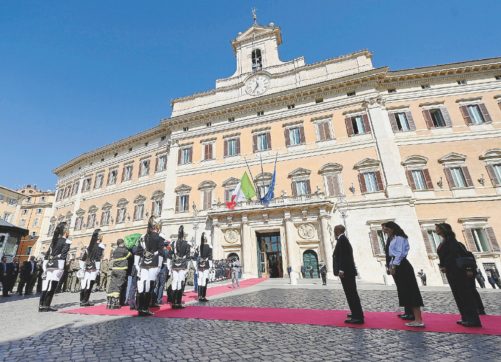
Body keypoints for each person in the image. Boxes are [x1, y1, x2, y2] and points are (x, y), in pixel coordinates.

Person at [435, 223, 482, 327]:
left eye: (437, 228)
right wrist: (442, 266)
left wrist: (468, 269)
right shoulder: (444, 241)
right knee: (458, 295)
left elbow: (458, 255)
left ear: (443, 230)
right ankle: (465, 317)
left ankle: (473, 320)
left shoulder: (452, 241)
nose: (436, 230)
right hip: (451, 271)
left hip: (457, 271)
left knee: (464, 295)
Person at [382, 221, 424, 327]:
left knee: (411, 291)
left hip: (402, 266)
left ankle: (418, 320)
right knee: (405, 291)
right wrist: (391, 266)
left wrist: (394, 265)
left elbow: (400, 253)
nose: (385, 231)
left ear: (392, 229)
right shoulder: (393, 238)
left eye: (386, 229)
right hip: (398, 265)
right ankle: (414, 317)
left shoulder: (399, 238)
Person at [333, 225, 364, 324]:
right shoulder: (342, 239)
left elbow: (344, 256)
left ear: (338, 231)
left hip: (346, 272)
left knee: (351, 294)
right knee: (351, 293)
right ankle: (356, 312)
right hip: (348, 271)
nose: (333, 232)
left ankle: (357, 317)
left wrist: (341, 269)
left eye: (334, 230)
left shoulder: (342, 240)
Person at [135, 217, 165, 316]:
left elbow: (138, 252)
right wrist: (159, 266)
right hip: (154, 263)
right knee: (149, 285)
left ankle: (140, 307)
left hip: (143, 263)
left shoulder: (143, 237)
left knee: (142, 284)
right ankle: (145, 308)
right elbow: (161, 253)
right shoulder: (159, 237)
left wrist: (136, 265)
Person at [39, 222, 72, 312]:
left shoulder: (54, 241)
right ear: (66, 233)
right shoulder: (67, 241)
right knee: (53, 286)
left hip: (49, 265)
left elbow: (47, 255)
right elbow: (63, 255)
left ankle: (41, 305)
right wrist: (61, 268)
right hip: (57, 265)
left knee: (46, 286)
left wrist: (44, 268)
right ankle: (47, 305)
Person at [79, 229, 105, 307]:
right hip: (93, 266)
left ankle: (81, 300)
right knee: (90, 284)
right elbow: (98, 258)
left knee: (84, 284)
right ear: (100, 238)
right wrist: (98, 269)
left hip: (86, 266)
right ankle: (85, 300)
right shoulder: (101, 246)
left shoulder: (88, 247)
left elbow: (83, 258)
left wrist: (82, 267)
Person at [168, 225, 190, 309]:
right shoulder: (186, 244)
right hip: (182, 265)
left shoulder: (173, 243)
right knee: (180, 282)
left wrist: (170, 267)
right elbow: (188, 257)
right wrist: (187, 268)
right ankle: (178, 302)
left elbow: (170, 256)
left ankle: (173, 302)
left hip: (174, 265)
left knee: (174, 282)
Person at [106, 239, 131, 309]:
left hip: (114, 270)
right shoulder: (124, 250)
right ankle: (115, 303)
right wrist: (126, 247)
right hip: (121, 270)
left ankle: (109, 302)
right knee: (118, 285)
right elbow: (130, 255)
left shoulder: (115, 251)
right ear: (122, 243)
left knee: (112, 285)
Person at [197, 232, 213, 302]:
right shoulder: (209, 246)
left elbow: (196, 256)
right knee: (204, 280)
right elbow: (210, 257)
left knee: (200, 280)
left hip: (199, 264)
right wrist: (211, 266)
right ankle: (203, 296)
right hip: (206, 264)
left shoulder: (199, 246)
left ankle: (199, 296)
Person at [154, 241, 169, 305]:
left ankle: (154, 299)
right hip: (163, 267)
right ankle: (159, 299)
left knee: (156, 285)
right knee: (161, 285)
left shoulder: (157, 251)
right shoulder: (166, 251)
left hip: (157, 267)